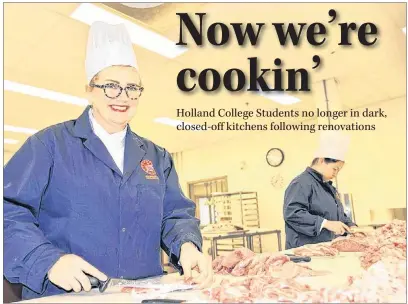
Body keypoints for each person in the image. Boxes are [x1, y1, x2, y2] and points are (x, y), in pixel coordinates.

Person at [4, 21, 213, 300]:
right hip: (66, 295)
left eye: (132, 88)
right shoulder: (48, 145)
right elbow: (7, 210)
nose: (122, 97)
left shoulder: (156, 157)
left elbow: (174, 215)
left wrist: (187, 245)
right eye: (111, 86)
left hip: (141, 293)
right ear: (89, 90)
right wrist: (47, 260)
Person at [283, 131, 356, 249]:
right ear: (322, 160)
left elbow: (338, 216)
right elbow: (293, 213)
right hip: (304, 251)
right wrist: (325, 223)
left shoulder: (328, 188)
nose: (336, 174)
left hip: (324, 249)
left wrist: (351, 226)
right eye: (335, 169)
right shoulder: (301, 183)